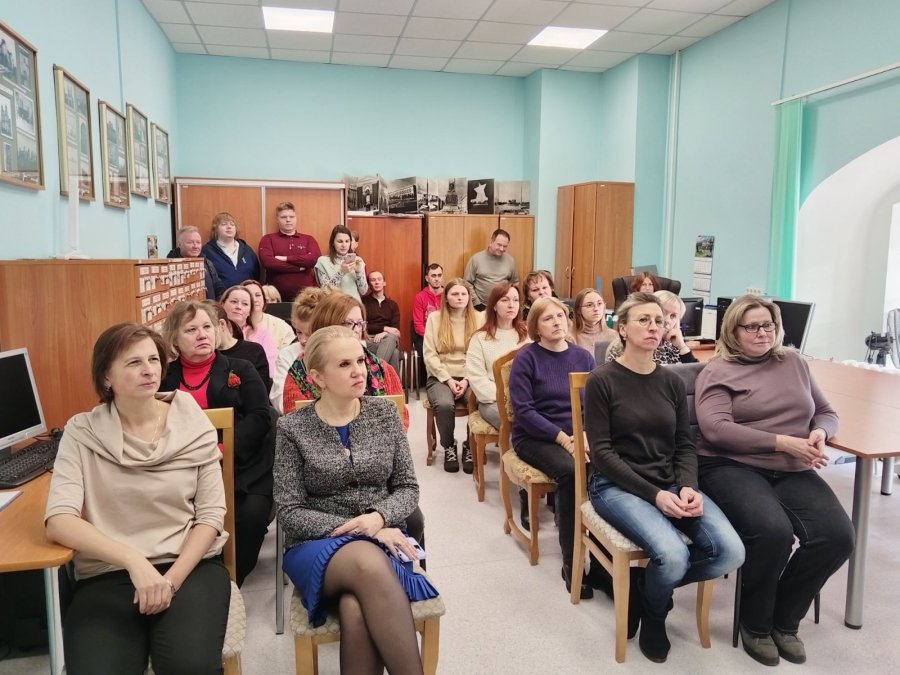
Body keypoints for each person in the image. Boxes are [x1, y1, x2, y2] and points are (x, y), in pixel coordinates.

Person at [45, 323, 230, 674]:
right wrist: (134, 561)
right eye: (133, 363)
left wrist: (169, 581)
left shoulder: (193, 424)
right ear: (106, 377)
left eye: (153, 360)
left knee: (189, 666)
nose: (148, 370)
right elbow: (59, 521)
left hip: (188, 568)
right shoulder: (82, 432)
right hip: (108, 571)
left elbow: (210, 516)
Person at [585, 292, 744, 663]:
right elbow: (603, 454)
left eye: (659, 320)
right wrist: (655, 495)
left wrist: (688, 485)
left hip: (670, 481)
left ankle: (646, 587)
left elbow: (685, 444)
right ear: (622, 329)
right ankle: (656, 615)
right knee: (672, 556)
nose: (653, 327)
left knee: (731, 552)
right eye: (643, 320)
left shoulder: (671, 382)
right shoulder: (602, 381)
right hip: (615, 485)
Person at [695, 295, 854, 667]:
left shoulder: (794, 363)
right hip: (730, 464)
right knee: (772, 532)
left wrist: (819, 432)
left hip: (791, 465)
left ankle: (784, 620)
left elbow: (827, 412)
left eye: (768, 325)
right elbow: (715, 429)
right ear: (733, 331)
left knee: (837, 536)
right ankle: (755, 624)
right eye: (751, 326)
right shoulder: (718, 371)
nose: (762, 333)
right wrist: (782, 442)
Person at [274, 326, 438, 674]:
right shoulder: (292, 428)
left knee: (355, 610)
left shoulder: (385, 414)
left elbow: (407, 488)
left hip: (384, 536)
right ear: (318, 377)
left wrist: (378, 519)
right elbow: (289, 512)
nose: (358, 371)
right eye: (344, 364)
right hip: (316, 543)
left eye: (361, 361)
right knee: (366, 561)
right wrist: (364, 529)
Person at [159, 301, 275, 588]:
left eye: (207, 327)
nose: (202, 334)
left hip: (243, 468)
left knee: (249, 518)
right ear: (174, 339)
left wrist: (221, 451)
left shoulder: (241, 368)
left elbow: (260, 417)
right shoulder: (163, 377)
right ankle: (192, 578)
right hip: (182, 469)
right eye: (191, 330)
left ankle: (229, 584)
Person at [508, 297, 596, 599]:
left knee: (605, 467)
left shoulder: (583, 357)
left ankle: (601, 563)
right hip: (535, 437)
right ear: (536, 327)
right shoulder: (526, 359)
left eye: (561, 315)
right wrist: (563, 439)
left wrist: (585, 435)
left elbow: (596, 404)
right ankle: (573, 563)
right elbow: (524, 412)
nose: (557, 322)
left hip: (579, 435)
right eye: (548, 318)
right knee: (572, 472)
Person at [281, 290, 409, 432]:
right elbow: (296, 430)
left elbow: (401, 422)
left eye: (360, 323)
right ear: (326, 324)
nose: (357, 330)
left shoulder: (383, 369)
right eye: (348, 323)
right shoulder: (298, 373)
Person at [423, 279, 483, 473]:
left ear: (469, 297)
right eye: (455, 294)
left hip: (471, 376)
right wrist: (448, 379)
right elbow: (429, 354)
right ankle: (449, 445)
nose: (460, 298)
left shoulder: (479, 318)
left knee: (479, 401)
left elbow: (481, 354)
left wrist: (466, 379)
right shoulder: (435, 318)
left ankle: (470, 446)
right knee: (444, 404)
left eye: (463, 294)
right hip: (440, 376)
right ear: (446, 297)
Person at [465, 281, 529, 430]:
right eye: (505, 300)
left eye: (515, 300)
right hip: (492, 400)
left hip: (525, 399)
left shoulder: (528, 335)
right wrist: (507, 397)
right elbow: (477, 378)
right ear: (494, 305)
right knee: (518, 424)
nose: (511, 305)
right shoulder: (480, 338)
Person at [270, 286, 327, 415]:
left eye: (309, 334)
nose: (302, 340)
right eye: (299, 332)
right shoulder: (287, 355)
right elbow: (279, 399)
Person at [606, 291, 697, 364]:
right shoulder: (629, 343)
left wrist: (682, 346)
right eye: (664, 312)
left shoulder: (674, 343)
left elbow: (695, 376)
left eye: (673, 316)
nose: (667, 320)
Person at [257, 201, 321, 301]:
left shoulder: (308, 239)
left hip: (306, 298)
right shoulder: (268, 239)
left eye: (291, 217)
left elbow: (314, 259)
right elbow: (268, 262)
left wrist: (286, 259)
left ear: (296, 218)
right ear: (277, 219)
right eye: (283, 217)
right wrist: (298, 267)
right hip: (275, 298)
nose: (288, 220)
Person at [203, 300, 271, 391]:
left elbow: (261, 392)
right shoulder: (201, 354)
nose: (202, 334)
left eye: (206, 327)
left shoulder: (254, 350)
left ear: (222, 324)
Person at [221, 285, 277, 377]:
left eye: (245, 304)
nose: (239, 307)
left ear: (250, 311)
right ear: (222, 304)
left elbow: (269, 371)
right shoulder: (214, 332)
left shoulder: (263, 334)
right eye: (234, 302)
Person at [463, 228, 518, 310]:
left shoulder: (510, 260)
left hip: (503, 306)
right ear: (491, 242)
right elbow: (467, 282)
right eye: (499, 245)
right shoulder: (476, 259)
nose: (502, 249)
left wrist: (511, 300)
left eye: (505, 246)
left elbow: (515, 282)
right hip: (480, 306)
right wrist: (477, 303)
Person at [201, 212, 259, 288]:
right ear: (215, 229)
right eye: (224, 224)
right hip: (221, 295)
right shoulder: (207, 251)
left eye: (232, 224)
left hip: (247, 294)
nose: (229, 227)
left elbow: (256, 274)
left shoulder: (247, 250)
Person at [167, 225, 225, 300]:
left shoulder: (207, 263)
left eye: (198, 242)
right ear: (179, 244)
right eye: (190, 242)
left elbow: (218, 287)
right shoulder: (168, 266)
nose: (195, 246)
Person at [361, 270, 401, 374]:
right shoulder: (363, 302)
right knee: (394, 352)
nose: (377, 282)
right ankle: (391, 383)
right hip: (370, 339)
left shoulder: (392, 305)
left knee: (391, 338)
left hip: (389, 337)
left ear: (384, 283)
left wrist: (385, 334)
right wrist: (385, 329)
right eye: (373, 280)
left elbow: (396, 330)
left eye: (379, 279)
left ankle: (376, 374)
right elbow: (363, 326)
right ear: (369, 285)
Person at [240, 279, 296, 351]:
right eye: (249, 295)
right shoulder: (234, 326)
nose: (254, 299)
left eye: (258, 295)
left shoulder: (281, 326)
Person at [315, 225, 368, 300]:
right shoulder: (322, 261)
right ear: (333, 243)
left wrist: (359, 272)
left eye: (347, 241)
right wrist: (341, 272)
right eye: (340, 241)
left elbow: (363, 291)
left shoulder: (357, 260)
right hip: (335, 305)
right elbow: (326, 291)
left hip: (354, 304)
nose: (344, 245)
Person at [413, 263, 444, 360]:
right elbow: (418, 324)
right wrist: (431, 338)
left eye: (439, 275)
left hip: (445, 336)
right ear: (427, 278)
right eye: (433, 276)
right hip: (426, 337)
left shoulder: (448, 295)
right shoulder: (420, 297)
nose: (437, 279)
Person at [571, 287, 617, 352]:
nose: (596, 309)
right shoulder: (570, 337)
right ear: (579, 310)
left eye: (599, 304)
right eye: (589, 305)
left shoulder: (614, 336)